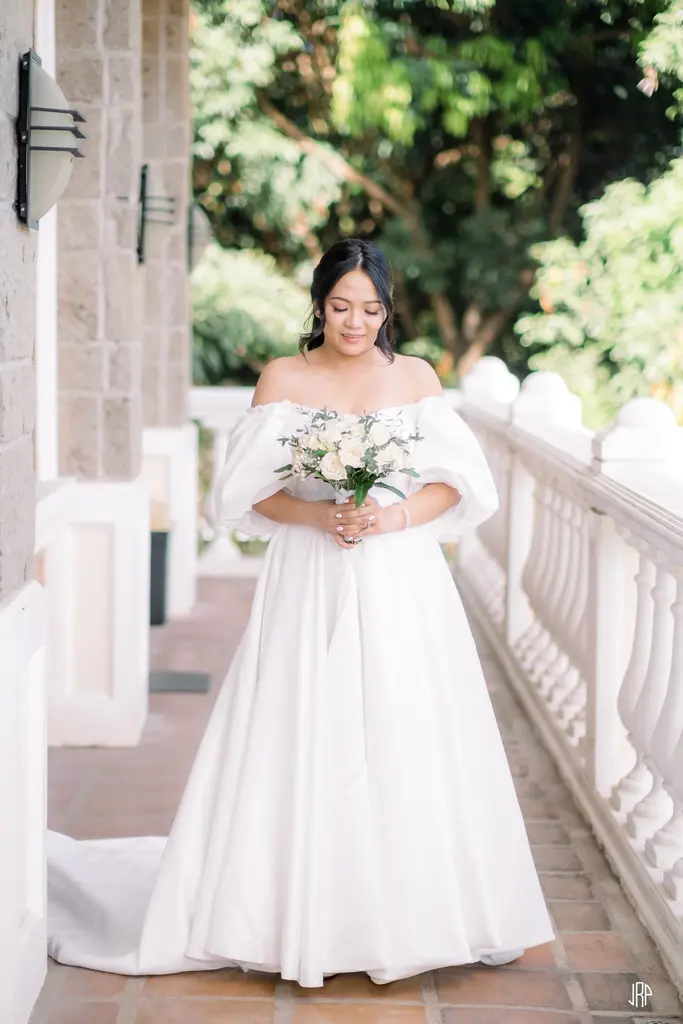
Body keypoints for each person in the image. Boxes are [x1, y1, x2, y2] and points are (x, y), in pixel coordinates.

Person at [46, 238, 555, 987]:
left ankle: (415, 913)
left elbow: (457, 485)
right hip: (309, 575)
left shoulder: (413, 376)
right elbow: (245, 494)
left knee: (402, 722)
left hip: (399, 577)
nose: (356, 321)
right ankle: (284, 910)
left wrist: (387, 519)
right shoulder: (283, 377)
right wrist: (320, 517)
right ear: (320, 304)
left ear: (387, 310)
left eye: (371, 308)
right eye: (342, 306)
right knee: (302, 722)